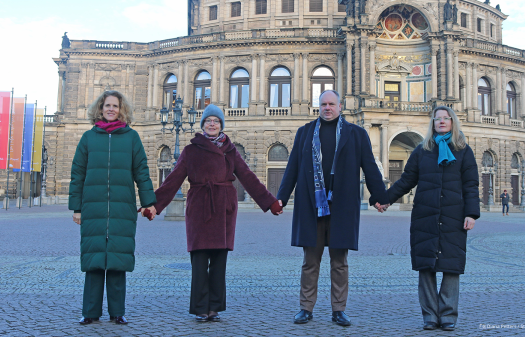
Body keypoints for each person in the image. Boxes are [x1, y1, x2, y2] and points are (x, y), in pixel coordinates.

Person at [146, 104, 282, 322]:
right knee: (199, 260)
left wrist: (270, 202)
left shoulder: (230, 150)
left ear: (221, 125)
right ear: (202, 125)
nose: (212, 124)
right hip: (200, 206)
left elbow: (248, 177)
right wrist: (154, 205)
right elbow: (173, 179)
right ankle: (200, 307)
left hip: (224, 208)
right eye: (208, 121)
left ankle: (215, 306)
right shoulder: (191, 150)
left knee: (219, 261)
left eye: (216, 121)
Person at [275, 90, 390, 327]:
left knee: (340, 262)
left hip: (342, 207)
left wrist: (379, 196)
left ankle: (339, 310)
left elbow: (370, 167)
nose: (327, 108)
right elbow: (292, 168)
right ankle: (306, 308)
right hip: (311, 206)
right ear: (319, 106)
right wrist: (281, 198)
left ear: (340, 107)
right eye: (323, 104)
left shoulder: (356, 134)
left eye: (331, 104)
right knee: (310, 261)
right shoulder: (305, 133)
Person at [385, 106, 480, 331]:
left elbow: (471, 185)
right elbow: (406, 180)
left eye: (446, 119)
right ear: (433, 124)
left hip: (453, 215)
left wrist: (471, 213)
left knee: (451, 266)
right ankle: (429, 315)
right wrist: (384, 199)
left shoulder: (464, 151)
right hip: (425, 215)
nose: (441, 122)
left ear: (453, 122)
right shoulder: (421, 151)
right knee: (426, 266)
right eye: (437, 119)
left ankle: (448, 315)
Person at [69, 90, 157, 325]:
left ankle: (117, 312)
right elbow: (77, 174)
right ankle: (90, 312)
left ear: (122, 110)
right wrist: (76, 208)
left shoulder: (132, 138)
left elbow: (142, 173)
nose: (111, 109)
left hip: (122, 208)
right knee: (94, 261)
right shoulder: (88, 138)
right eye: (107, 105)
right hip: (93, 208)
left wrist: (148, 203)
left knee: (117, 261)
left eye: (115, 106)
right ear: (100, 109)